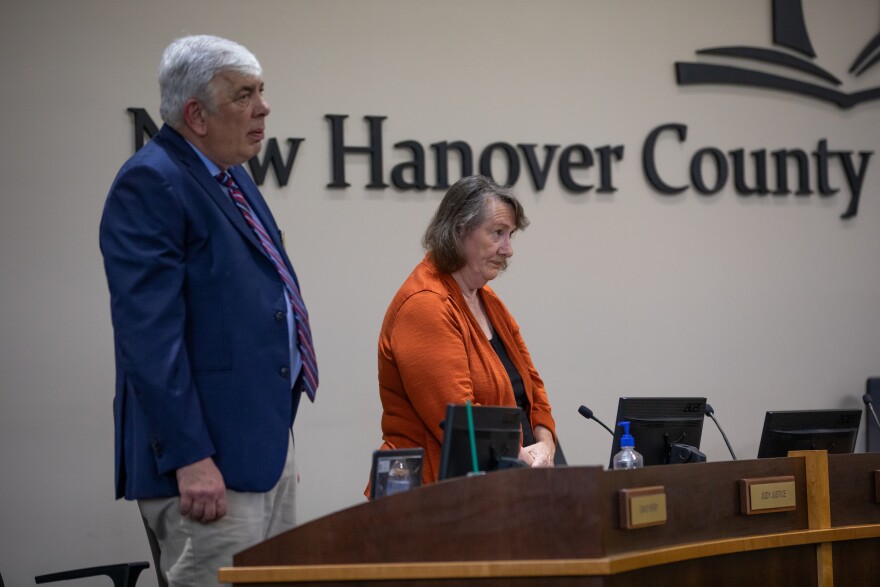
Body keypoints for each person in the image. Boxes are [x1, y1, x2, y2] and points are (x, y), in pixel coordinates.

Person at [99, 35, 318, 586]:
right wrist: (190, 458)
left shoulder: (232, 176)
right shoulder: (152, 181)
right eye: (244, 95)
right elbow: (150, 340)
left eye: (261, 91)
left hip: (257, 455)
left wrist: (274, 445)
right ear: (195, 114)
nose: (264, 108)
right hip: (205, 467)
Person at [375, 175, 561, 487]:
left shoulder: (487, 300)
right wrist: (527, 460)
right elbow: (461, 423)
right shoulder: (425, 304)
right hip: (434, 492)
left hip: (502, 480)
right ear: (460, 230)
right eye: (498, 233)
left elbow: (533, 389)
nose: (508, 250)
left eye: (510, 235)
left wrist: (546, 444)